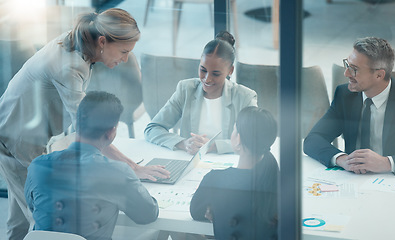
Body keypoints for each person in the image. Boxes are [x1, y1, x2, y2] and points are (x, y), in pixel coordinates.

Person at [0, 8, 168, 240]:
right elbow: (89, 129)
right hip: (18, 138)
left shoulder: (79, 41)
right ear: (102, 41)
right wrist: (133, 167)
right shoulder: (70, 66)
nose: (126, 59)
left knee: (18, 220)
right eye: (124, 51)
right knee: (40, 220)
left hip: (17, 131)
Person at [24, 91, 159, 240]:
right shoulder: (117, 173)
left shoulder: (37, 166)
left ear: (78, 124)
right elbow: (147, 215)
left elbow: (33, 206)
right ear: (111, 132)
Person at [304, 37, 395, 175]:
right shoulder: (345, 95)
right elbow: (313, 140)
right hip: (354, 181)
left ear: (379, 75)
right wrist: (343, 159)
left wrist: (387, 163)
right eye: (347, 65)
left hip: (394, 182)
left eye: (354, 69)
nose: (346, 73)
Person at [144, 31, 257, 155]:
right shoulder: (185, 89)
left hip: (228, 165)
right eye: (203, 70)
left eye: (216, 73)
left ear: (230, 71)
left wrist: (213, 146)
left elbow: (254, 139)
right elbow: (152, 129)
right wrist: (184, 143)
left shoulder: (245, 97)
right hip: (191, 163)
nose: (207, 79)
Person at [190, 106, 278, 240]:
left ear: (238, 140)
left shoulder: (214, 180)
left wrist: (212, 205)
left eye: (234, 129)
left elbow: (196, 213)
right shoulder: (277, 177)